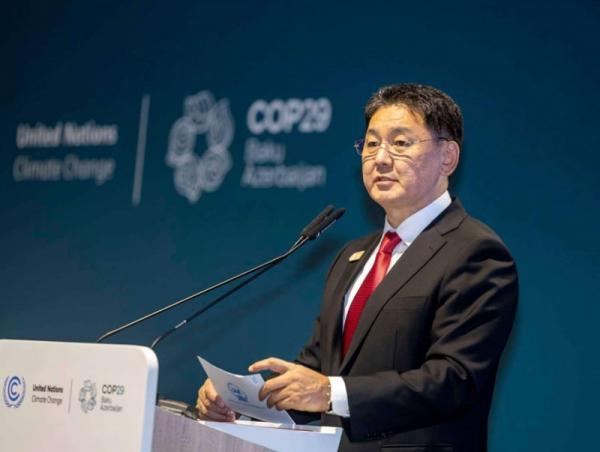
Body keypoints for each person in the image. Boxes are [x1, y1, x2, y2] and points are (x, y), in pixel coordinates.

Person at [196, 83, 518, 452]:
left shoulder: (475, 252)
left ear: (447, 156)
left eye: (400, 143)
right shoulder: (353, 257)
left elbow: (453, 380)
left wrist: (329, 392)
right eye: (371, 143)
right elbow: (317, 371)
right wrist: (240, 401)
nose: (380, 158)